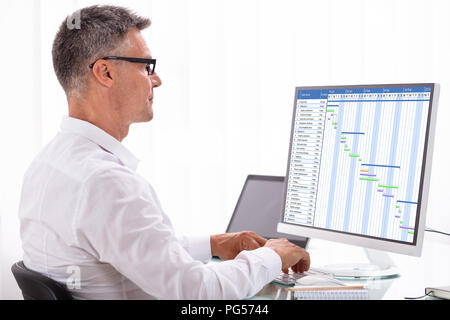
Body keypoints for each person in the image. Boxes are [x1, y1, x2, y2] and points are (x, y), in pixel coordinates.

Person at [18, 5, 310, 300]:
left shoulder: (49, 164)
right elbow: (198, 292)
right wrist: (272, 256)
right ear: (105, 72)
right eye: (146, 67)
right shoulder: (106, 182)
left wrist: (213, 244)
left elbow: (138, 253)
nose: (156, 80)